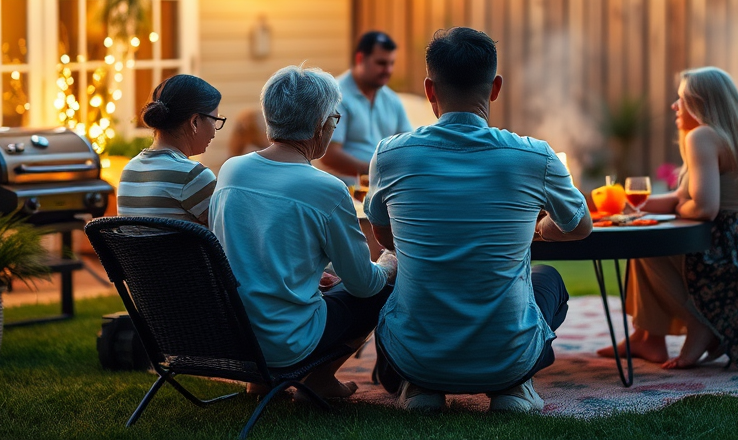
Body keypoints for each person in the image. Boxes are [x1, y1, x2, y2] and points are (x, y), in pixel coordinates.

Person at [366, 27, 592, 413]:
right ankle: (514, 389)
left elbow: (385, 237)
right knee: (547, 278)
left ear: (429, 90)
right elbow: (579, 226)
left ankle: (420, 387)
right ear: (495, 87)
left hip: (415, 357)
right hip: (509, 360)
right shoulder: (537, 157)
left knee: (397, 274)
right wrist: (540, 229)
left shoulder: (390, 155)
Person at [210, 65, 397, 400]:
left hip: (233, 337)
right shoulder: (327, 188)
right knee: (379, 293)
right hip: (286, 342)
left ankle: (260, 383)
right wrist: (388, 262)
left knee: (331, 285)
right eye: (334, 120)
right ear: (319, 126)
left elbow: (246, 250)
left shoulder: (231, 171)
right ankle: (320, 379)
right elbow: (363, 283)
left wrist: (318, 273)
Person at [598, 67, 738, 369]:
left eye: (681, 99)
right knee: (642, 232)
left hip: (718, 245)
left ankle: (700, 323)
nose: (674, 106)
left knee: (644, 245)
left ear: (702, 103)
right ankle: (647, 338)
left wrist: (679, 209)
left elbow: (704, 208)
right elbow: (684, 198)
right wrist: (633, 205)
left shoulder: (702, 136)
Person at [117, 74, 224, 226]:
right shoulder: (193, 176)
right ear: (194, 122)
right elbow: (228, 233)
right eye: (215, 120)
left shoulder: (129, 170)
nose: (214, 132)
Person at [321, 31, 412, 179]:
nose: (388, 70)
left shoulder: (392, 99)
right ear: (360, 59)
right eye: (381, 63)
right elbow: (329, 155)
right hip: (345, 193)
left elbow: (409, 146)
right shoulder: (335, 95)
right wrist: (377, 173)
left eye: (391, 63)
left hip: (385, 190)